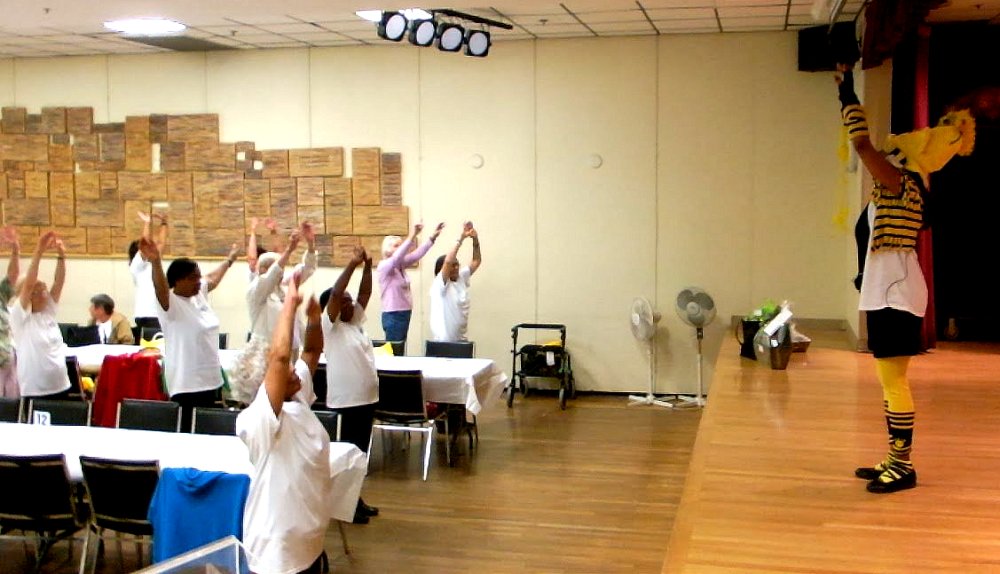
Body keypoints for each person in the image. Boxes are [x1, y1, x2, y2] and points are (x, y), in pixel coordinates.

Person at [835, 63, 975, 493]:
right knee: (888, 380)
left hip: (896, 294)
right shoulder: (895, 190)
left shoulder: (901, 184)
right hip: (888, 291)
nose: (890, 151)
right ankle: (894, 458)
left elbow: (861, 144)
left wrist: (846, 91)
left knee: (894, 380)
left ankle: (903, 466)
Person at [237, 268, 332, 574]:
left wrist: (315, 318)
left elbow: (312, 351)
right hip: (278, 552)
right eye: (283, 370)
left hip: (309, 540)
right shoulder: (259, 419)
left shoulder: (297, 397)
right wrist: (289, 304)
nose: (292, 370)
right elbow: (279, 357)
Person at [140, 237, 239, 432]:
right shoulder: (170, 305)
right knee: (189, 432)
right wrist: (156, 261)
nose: (198, 281)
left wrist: (230, 260)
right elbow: (160, 286)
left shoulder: (198, 294)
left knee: (208, 431)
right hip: (187, 384)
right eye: (193, 278)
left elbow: (212, 279)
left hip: (210, 379)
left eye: (198, 277)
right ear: (178, 281)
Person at [319, 245, 379, 524]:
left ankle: (356, 499)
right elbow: (334, 293)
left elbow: (365, 293)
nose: (350, 302)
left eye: (349, 300)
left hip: (366, 399)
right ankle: (345, 507)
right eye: (344, 300)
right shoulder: (328, 327)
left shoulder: (353, 322)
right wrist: (352, 265)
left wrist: (368, 266)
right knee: (346, 455)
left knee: (360, 456)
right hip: (346, 401)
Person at [230, 222, 319, 405]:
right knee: (269, 400)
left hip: (292, 351)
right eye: (265, 268)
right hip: (268, 355)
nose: (270, 272)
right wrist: (289, 249)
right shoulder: (255, 292)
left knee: (290, 398)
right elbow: (269, 277)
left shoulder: (286, 289)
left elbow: (307, 269)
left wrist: (310, 244)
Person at [10, 231, 71, 400]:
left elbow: (59, 281)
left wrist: (61, 255)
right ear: (29, 295)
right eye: (39, 289)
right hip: (36, 390)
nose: (45, 291)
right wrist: (39, 251)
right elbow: (29, 283)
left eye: (44, 287)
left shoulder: (48, 311)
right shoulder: (20, 317)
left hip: (61, 385)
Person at [377, 221, 444, 353]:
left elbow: (417, 254)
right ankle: (392, 373)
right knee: (395, 352)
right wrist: (412, 235)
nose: (400, 249)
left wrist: (432, 238)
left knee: (400, 349)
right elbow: (397, 256)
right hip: (393, 314)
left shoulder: (399, 266)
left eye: (400, 246)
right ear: (387, 248)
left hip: (403, 313)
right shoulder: (384, 266)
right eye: (396, 246)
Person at [429, 221, 482, 342]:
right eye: (453, 266)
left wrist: (475, 239)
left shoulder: (461, 278)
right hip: (444, 343)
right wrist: (461, 238)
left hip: (461, 340)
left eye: (457, 264)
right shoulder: (440, 285)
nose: (456, 267)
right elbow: (447, 261)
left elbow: (476, 261)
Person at [129, 211, 168, 333]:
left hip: (159, 314)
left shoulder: (153, 262)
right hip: (147, 314)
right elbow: (145, 243)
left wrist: (164, 223)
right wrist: (147, 222)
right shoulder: (137, 265)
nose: (155, 246)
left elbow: (161, 243)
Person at [0, 227, 20, 398]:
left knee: (11, 409)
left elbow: (12, 276)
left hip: (6, 359)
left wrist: (15, 250)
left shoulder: (0, 296)